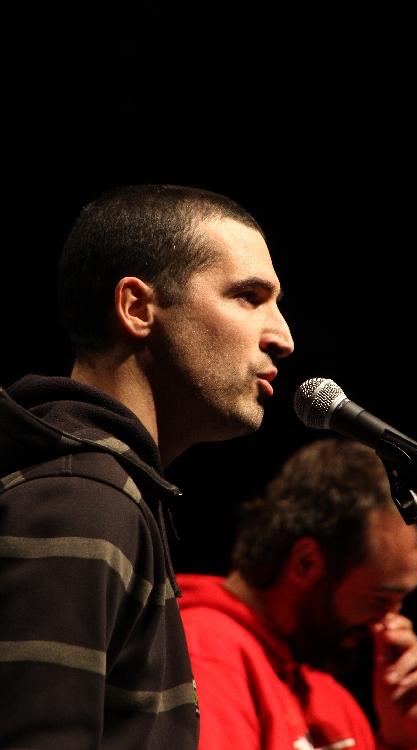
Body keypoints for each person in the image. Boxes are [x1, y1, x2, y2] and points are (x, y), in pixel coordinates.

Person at [0, 185, 294, 749]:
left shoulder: (107, 492)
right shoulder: (80, 499)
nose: (283, 337)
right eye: (249, 297)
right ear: (136, 308)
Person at [178, 437, 417, 750]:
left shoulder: (326, 695)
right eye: (381, 599)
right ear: (306, 563)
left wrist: (404, 742)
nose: (391, 623)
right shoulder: (207, 657)